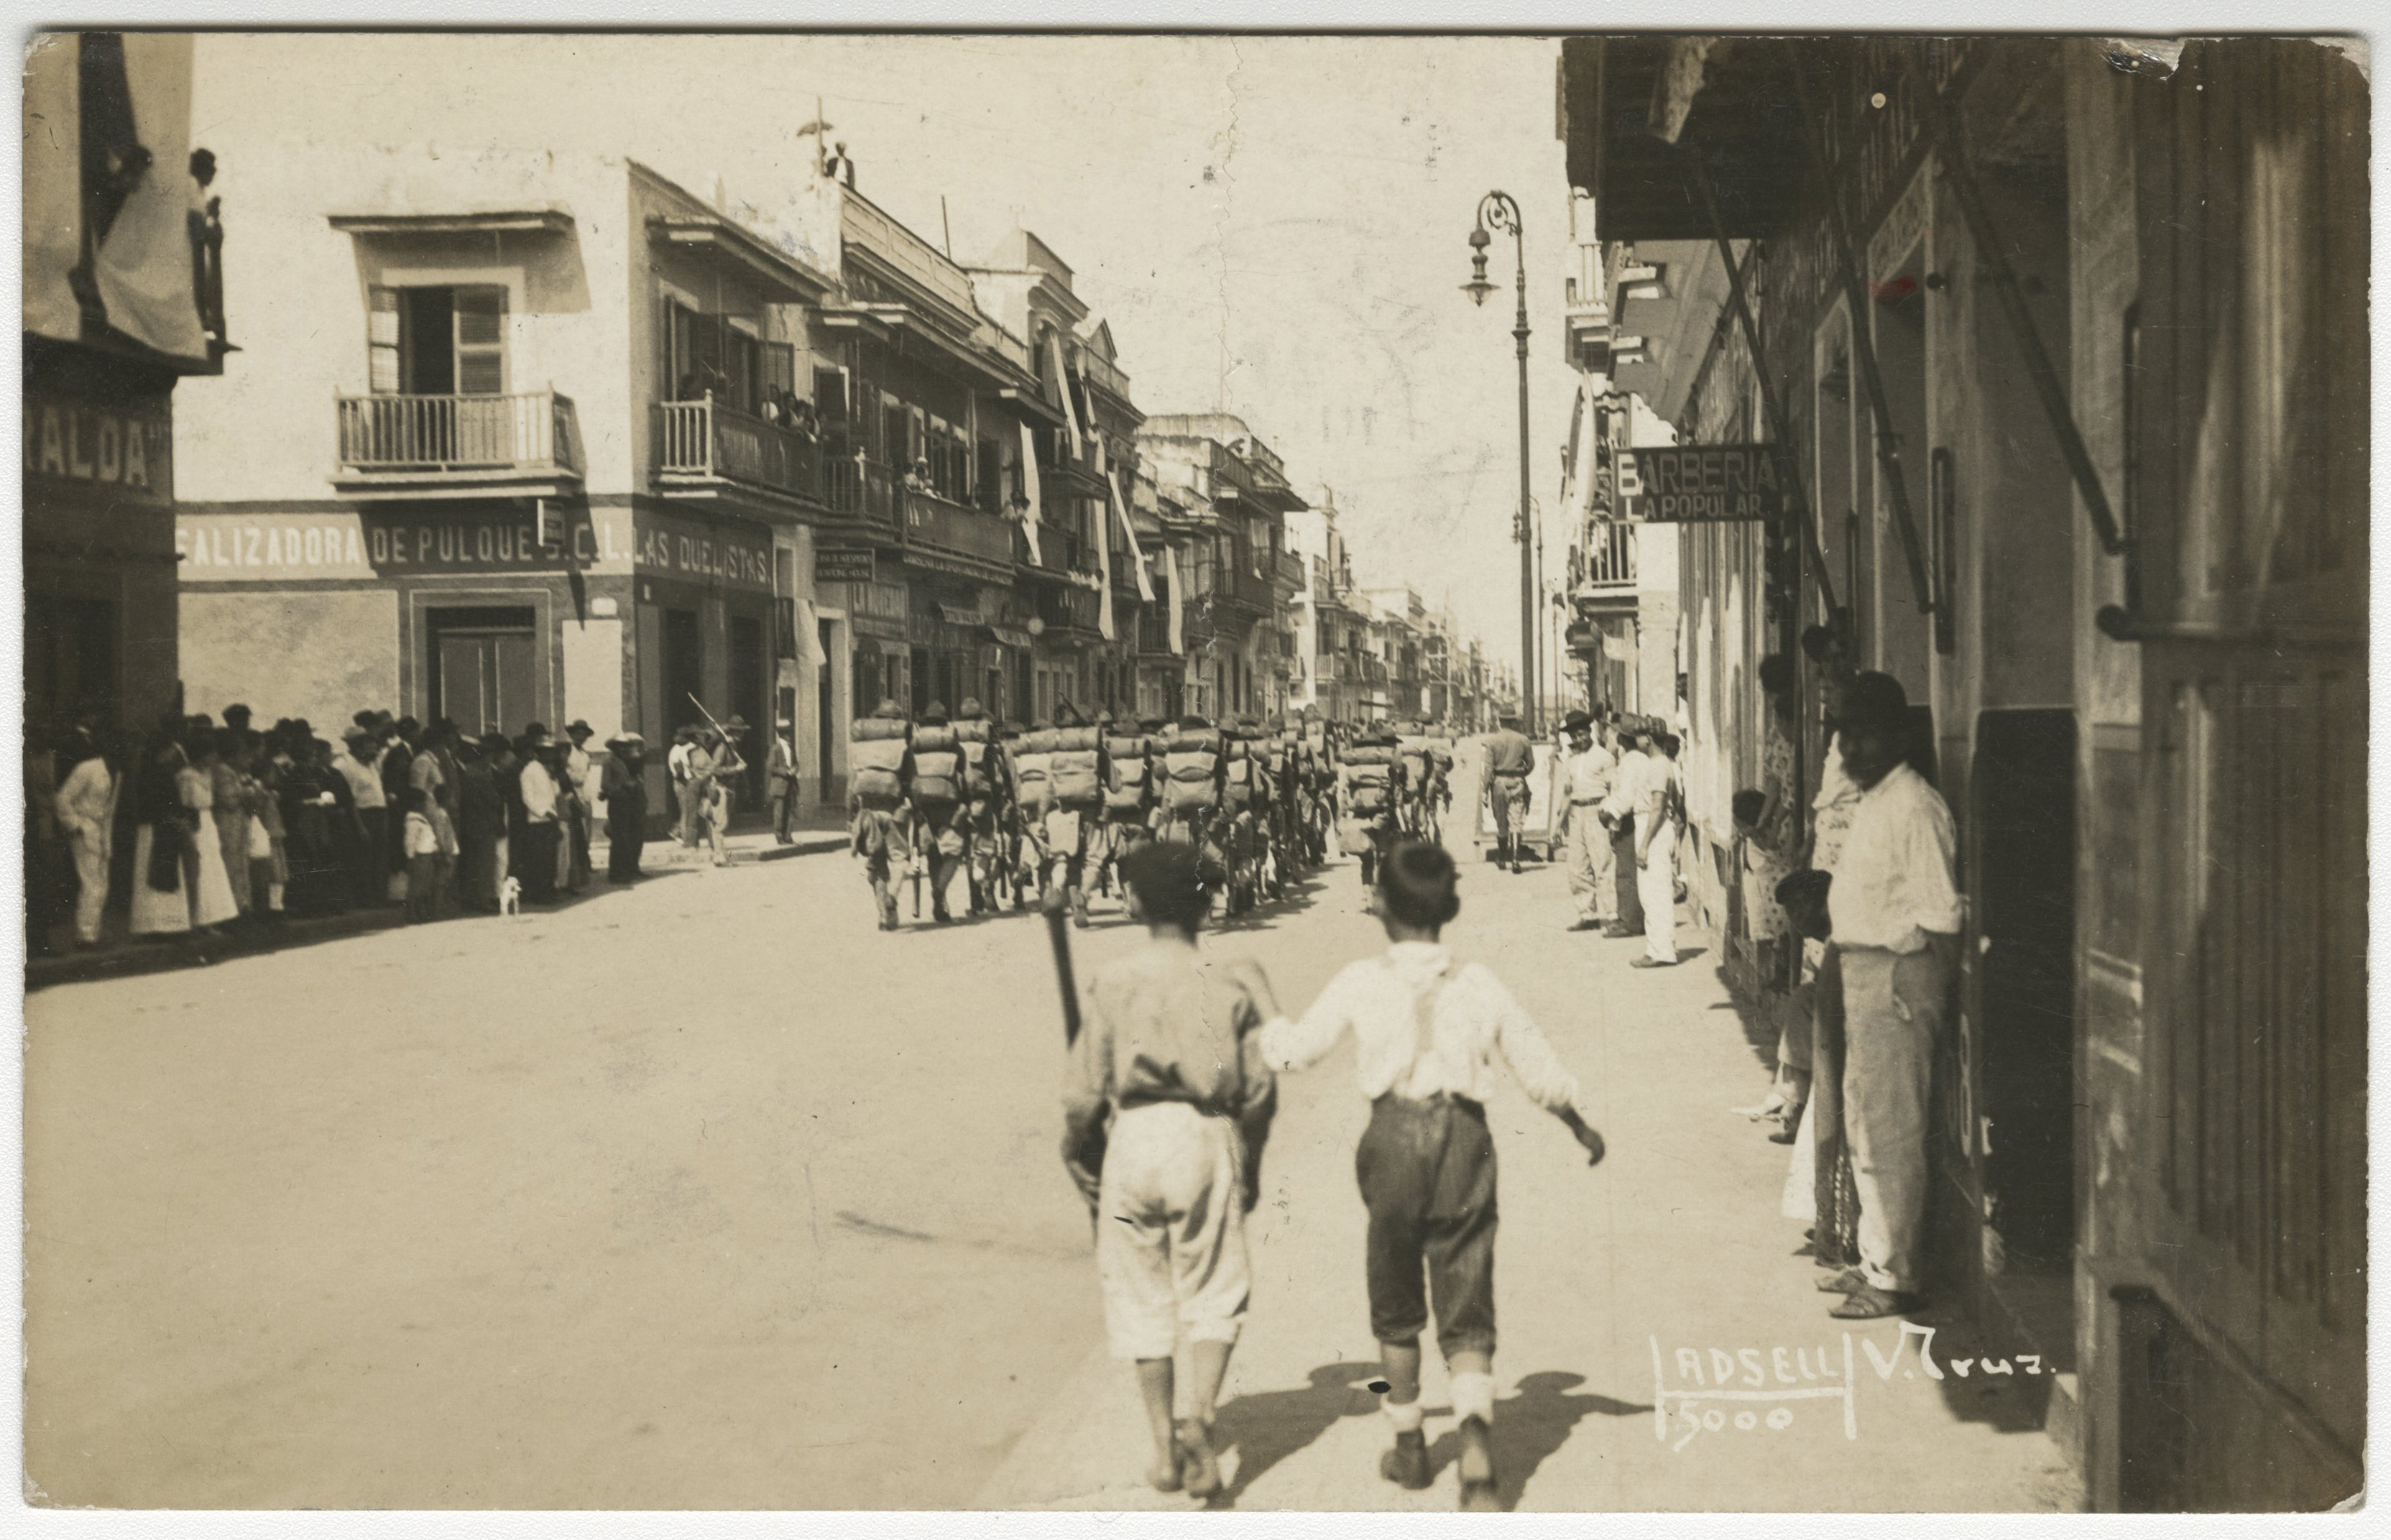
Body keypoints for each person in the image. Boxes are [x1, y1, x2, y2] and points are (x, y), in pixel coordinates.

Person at [1258, 841, 1605, 1510]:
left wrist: (1266, 1008)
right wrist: (1577, 1123)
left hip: (1391, 1138)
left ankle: (1411, 1443)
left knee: (1394, 1301)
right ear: (1449, 908)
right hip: (1465, 1138)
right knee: (1466, 1295)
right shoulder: (1477, 982)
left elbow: (1294, 1053)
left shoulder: (1360, 978)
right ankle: (1475, 1447)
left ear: (1379, 904)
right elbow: (1533, 1061)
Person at [1061, 839, 1277, 1498]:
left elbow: (1081, 1096)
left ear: (1131, 901)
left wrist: (1079, 1149)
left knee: (1139, 1290)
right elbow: (1261, 1091)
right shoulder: (1230, 981)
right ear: (1207, 902)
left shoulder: (1112, 980)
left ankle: (1160, 1444)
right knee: (1213, 1288)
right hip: (1203, 1135)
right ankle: (1201, 1417)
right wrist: (1252, 1164)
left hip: (1132, 1138)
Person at [1817, 673, 1962, 1321]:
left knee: (1893, 1129)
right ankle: (1876, 1255)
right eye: (1845, 736)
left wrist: (1925, 995)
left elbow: (1941, 920)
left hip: (1899, 975)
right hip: (1864, 973)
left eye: (1866, 734)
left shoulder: (1915, 805)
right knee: (1866, 1122)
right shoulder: (1875, 798)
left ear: (1899, 735)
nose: (1852, 748)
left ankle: (1897, 1276)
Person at [847, 698, 913, 931]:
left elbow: (852, 784)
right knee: (900, 859)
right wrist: (916, 808)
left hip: (869, 814)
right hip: (895, 812)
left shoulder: (862, 748)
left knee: (875, 867)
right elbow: (911, 780)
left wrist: (852, 817)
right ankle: (892, 898)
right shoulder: (903, 746)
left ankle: (885, 916)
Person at [1554, 710, 1616, 933]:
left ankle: (1612, 915)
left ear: (1589, 732)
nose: (1578, 739)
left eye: (1581, 734)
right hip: (1576, 814)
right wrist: (1559, 822)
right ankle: (1587, 914)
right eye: (1574, 736)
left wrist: (1611, 819)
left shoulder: (1604, 757)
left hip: (1597, 812)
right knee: (1577, 867)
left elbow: (1613, 790)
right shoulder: (1571, 761)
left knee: (1603, 864)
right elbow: (1567, 792)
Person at [905, 702, 967, 921]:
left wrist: (913, 805)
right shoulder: (951, 742)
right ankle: (939, 892)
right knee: (954, 852)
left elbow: (908, 774)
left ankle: (940, 901)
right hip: (948, 805)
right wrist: (964, 803)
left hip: (922, 805)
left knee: (933, 854)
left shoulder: (916, 744)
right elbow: (963, 774)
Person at [55, 729, 117, 948]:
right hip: (85, 827)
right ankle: (85, 936)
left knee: (102, 884)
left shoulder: (116, 775)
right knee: (90, 883)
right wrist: (75, 825)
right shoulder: (87, 769)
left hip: (101, 831)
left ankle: (94, 932)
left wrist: (107, 840)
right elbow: (63, 798)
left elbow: (109, 811)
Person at [1631, 731, 1685, 969]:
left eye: (1639, 736)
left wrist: (1644, 844)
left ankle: (1662, 951)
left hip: (1653, 827)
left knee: (1656, 893)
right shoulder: (1656, 764)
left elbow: (1658, 806)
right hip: (1650, 825)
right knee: (1649, 893)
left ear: (1649, 739)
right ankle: (1655, 948)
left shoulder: (1660, 765)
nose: (1636, 740)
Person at [1598, 718, 1650, 937]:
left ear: (1621, 738)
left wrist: (1608, 813)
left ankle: (1631, 922)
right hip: (1626, 819)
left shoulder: (1632, 762)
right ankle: (1625, 917)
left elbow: (1626, 798)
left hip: (1631, 821)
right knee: (1623, 870)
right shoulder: (1631, 759)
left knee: (1627, 872)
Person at [331, 725, 390, 908]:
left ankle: (378, 897)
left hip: (379, 815)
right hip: (363, 816)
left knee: (379, 857)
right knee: (364, 858)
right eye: (369, 746)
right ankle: (365, 899)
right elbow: (350, 800)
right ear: (357, 746)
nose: (374, 750)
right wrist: (360, 826)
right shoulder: (345, 766)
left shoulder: (371, 764)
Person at [1480, 713, 1534, 873]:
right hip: (1517, 782)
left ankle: (1503, 859)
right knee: (1516, 822)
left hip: (1499, 783)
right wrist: (1521, 773)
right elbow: (1531, 764)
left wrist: (1484, 790)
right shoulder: (1523, 740)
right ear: (1514, 721)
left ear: (1500, 721)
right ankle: (1516, 860)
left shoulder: (1492, 741)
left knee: (1502, 823)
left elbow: (1488, 769)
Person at [516, 727, 563, 903]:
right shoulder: (530, 770)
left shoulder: (545, 770)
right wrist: (545, 813)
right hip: (537, 821)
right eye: (547, 752)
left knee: (550, 859)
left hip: (549, 819)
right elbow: (528, 799)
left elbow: (553, 795)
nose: (551, 756)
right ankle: (540, 894)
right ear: (539, 753)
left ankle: (549, 890)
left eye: (552, 752)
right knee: (539, 860)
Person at [601, 734, 649, 884]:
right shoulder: (609, 762)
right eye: (619, 746)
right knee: (619, 839)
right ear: (613, 747)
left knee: (634, 837)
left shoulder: (627, 761)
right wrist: (623, 786)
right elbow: (605, 785)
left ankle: (631, 868)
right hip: (618, 803)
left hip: (631, 803)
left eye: (624, 746)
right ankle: (616, 873)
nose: (622, 748)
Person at [563, 721, 599, 890]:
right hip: (571, 791)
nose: (581, 737)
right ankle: (577, 866)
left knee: (587, 829)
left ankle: (586, 862)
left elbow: (586, 774)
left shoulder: (584, 754)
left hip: (584, 791)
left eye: (584, 734)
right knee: (576, 829)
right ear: (572, 734)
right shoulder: (568, 751)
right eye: (578, 733)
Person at [401, 788, 442, 924]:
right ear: (416, 803)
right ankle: (411, 913)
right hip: (420, 856)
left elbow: (429, 837)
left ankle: (419, 913)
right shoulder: (413, 820)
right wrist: (410, 857)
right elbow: (410, 841)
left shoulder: (421, 819)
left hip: (427, 854)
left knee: (424, 885)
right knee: (416, 886)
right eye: (423, 802)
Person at [768, 717, 802, 844]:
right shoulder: (775, 748)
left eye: (790, 732)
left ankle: (788, 836)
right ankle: (779, 836)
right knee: (779, 812)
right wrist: (785, 772)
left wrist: (795, 769)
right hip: (779, 785)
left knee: (790, 811)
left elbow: (796, 763)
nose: (790, 735)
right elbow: (771, 766)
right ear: (782, 734)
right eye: (787, 733)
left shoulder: (791, 748)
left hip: (791, 785)